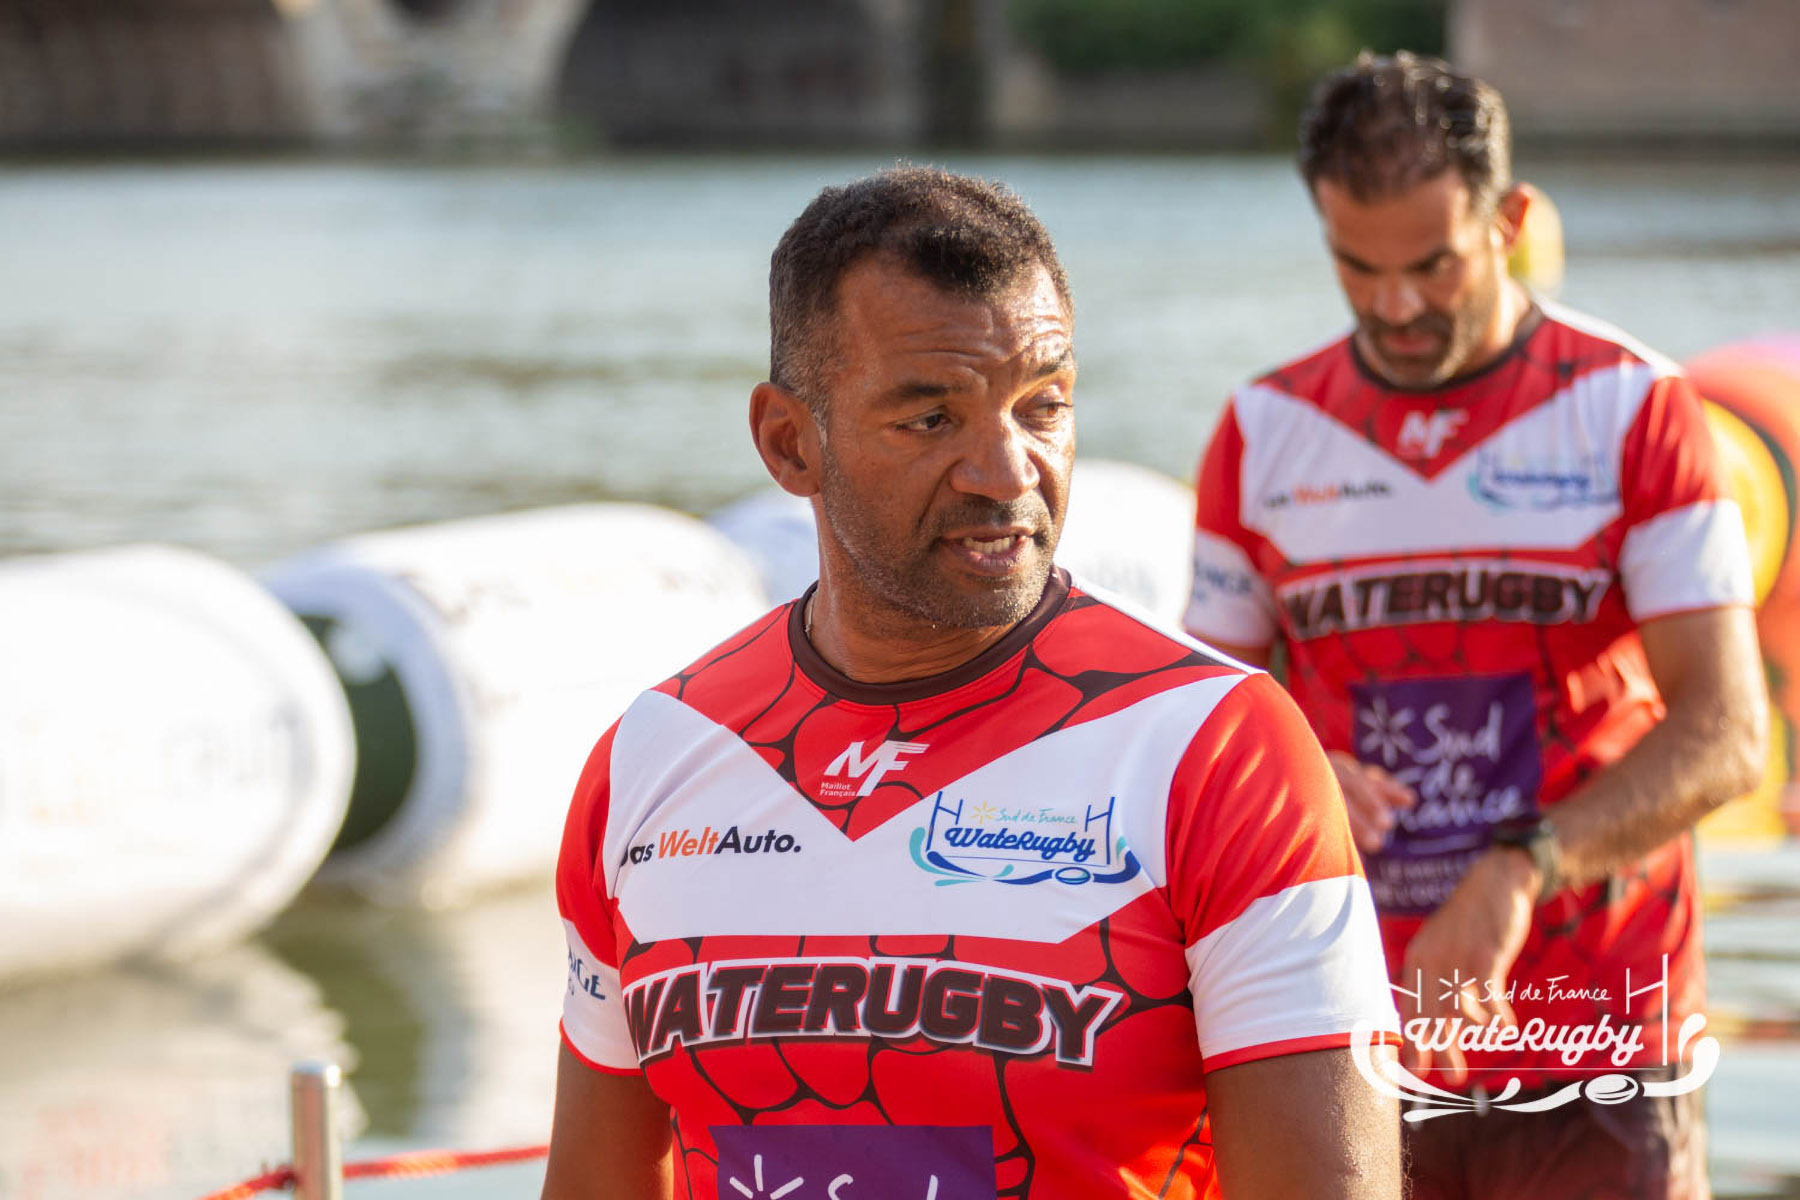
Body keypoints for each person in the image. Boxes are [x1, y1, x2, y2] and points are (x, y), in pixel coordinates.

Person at [542, 166, 1401, 1199]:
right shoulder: (655, 757)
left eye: (1043, 406)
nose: (1007, 472)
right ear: (788, 443)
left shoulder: (1216, 745)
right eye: (930, 420)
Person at [1183, 52, 1768, 1200]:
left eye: (1433, 266)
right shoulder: (1261, 432)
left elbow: (1729, 734)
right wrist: (1296, 770)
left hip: (1600, 1025)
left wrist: (1520, 869)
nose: (1396, 306)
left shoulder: (1636, 408)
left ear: (1509, 222)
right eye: (1358, 268)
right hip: (1350, 1023)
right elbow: (1200, 732)